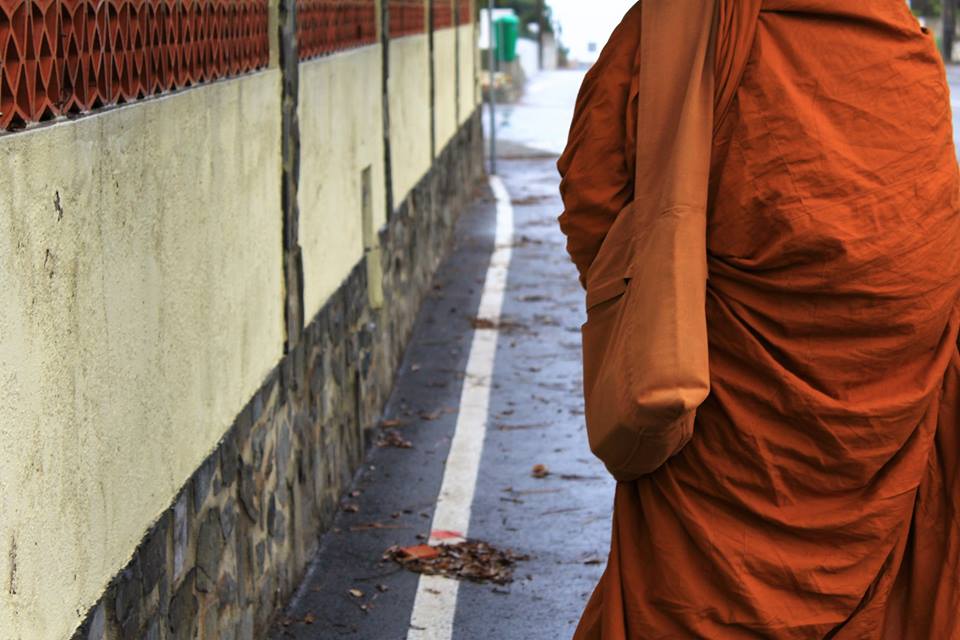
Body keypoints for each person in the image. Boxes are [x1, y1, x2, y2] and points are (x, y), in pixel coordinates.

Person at [557, 1, 960, 638]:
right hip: (882, 417)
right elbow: (927, 246)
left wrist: (658, 289)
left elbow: (594, 197)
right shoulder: (902, 46)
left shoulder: (687, 23)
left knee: (694, 600)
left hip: (725, 405)